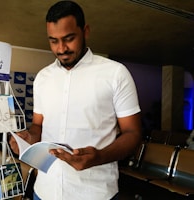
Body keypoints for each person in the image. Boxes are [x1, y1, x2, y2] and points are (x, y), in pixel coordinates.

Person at [9, 1, 142, 199]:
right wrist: (28, 137)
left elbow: (133, 133)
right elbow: (38, 125)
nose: (61, 48)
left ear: (85, 31)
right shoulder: (43, 78)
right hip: (45, 190)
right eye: (53, 41)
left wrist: (99, 157)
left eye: (69, 38)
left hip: (95, 193)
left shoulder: (115, 74)